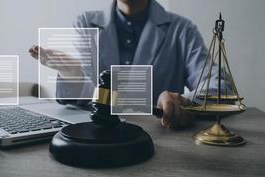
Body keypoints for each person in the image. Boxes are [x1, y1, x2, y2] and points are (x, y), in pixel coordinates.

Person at [29, 0, 216, 128]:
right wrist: (71, 74)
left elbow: (219, 86)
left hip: (161, 142)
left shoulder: (183, 29)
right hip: (98, 140)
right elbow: (84, 96)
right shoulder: (85, 22)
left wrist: (186, 102)